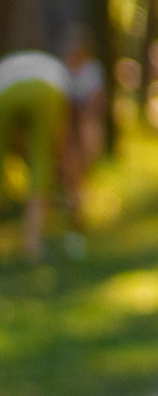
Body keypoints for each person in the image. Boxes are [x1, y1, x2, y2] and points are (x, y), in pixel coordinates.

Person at [0, 33, 104, 261]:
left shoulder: (21, 63)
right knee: (41, 167)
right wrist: (66, 166)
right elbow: (62, 136)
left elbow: (17, 140)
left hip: (3, 91)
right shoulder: (61, 76)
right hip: (46, 92)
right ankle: (32, 245)